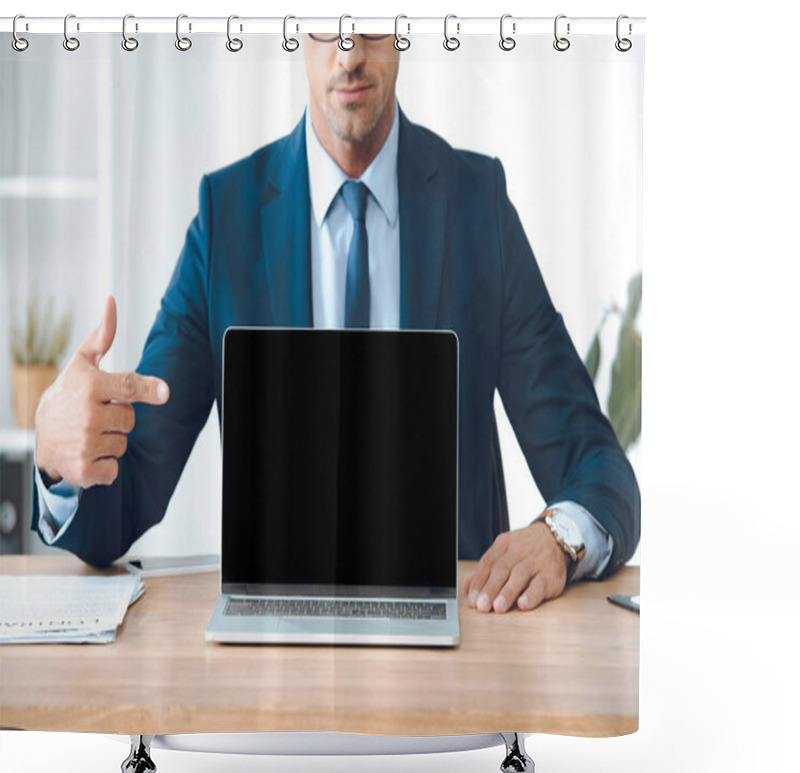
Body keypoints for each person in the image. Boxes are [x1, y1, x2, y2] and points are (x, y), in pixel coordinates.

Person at [33, 33, 640, 614]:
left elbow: (596, 465)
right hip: (273, 655)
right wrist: (60, 463)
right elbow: (130, 491)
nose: (348, 55)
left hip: (459, 648)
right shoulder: (228, 218)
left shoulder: (477, 205)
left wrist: (559, 535)